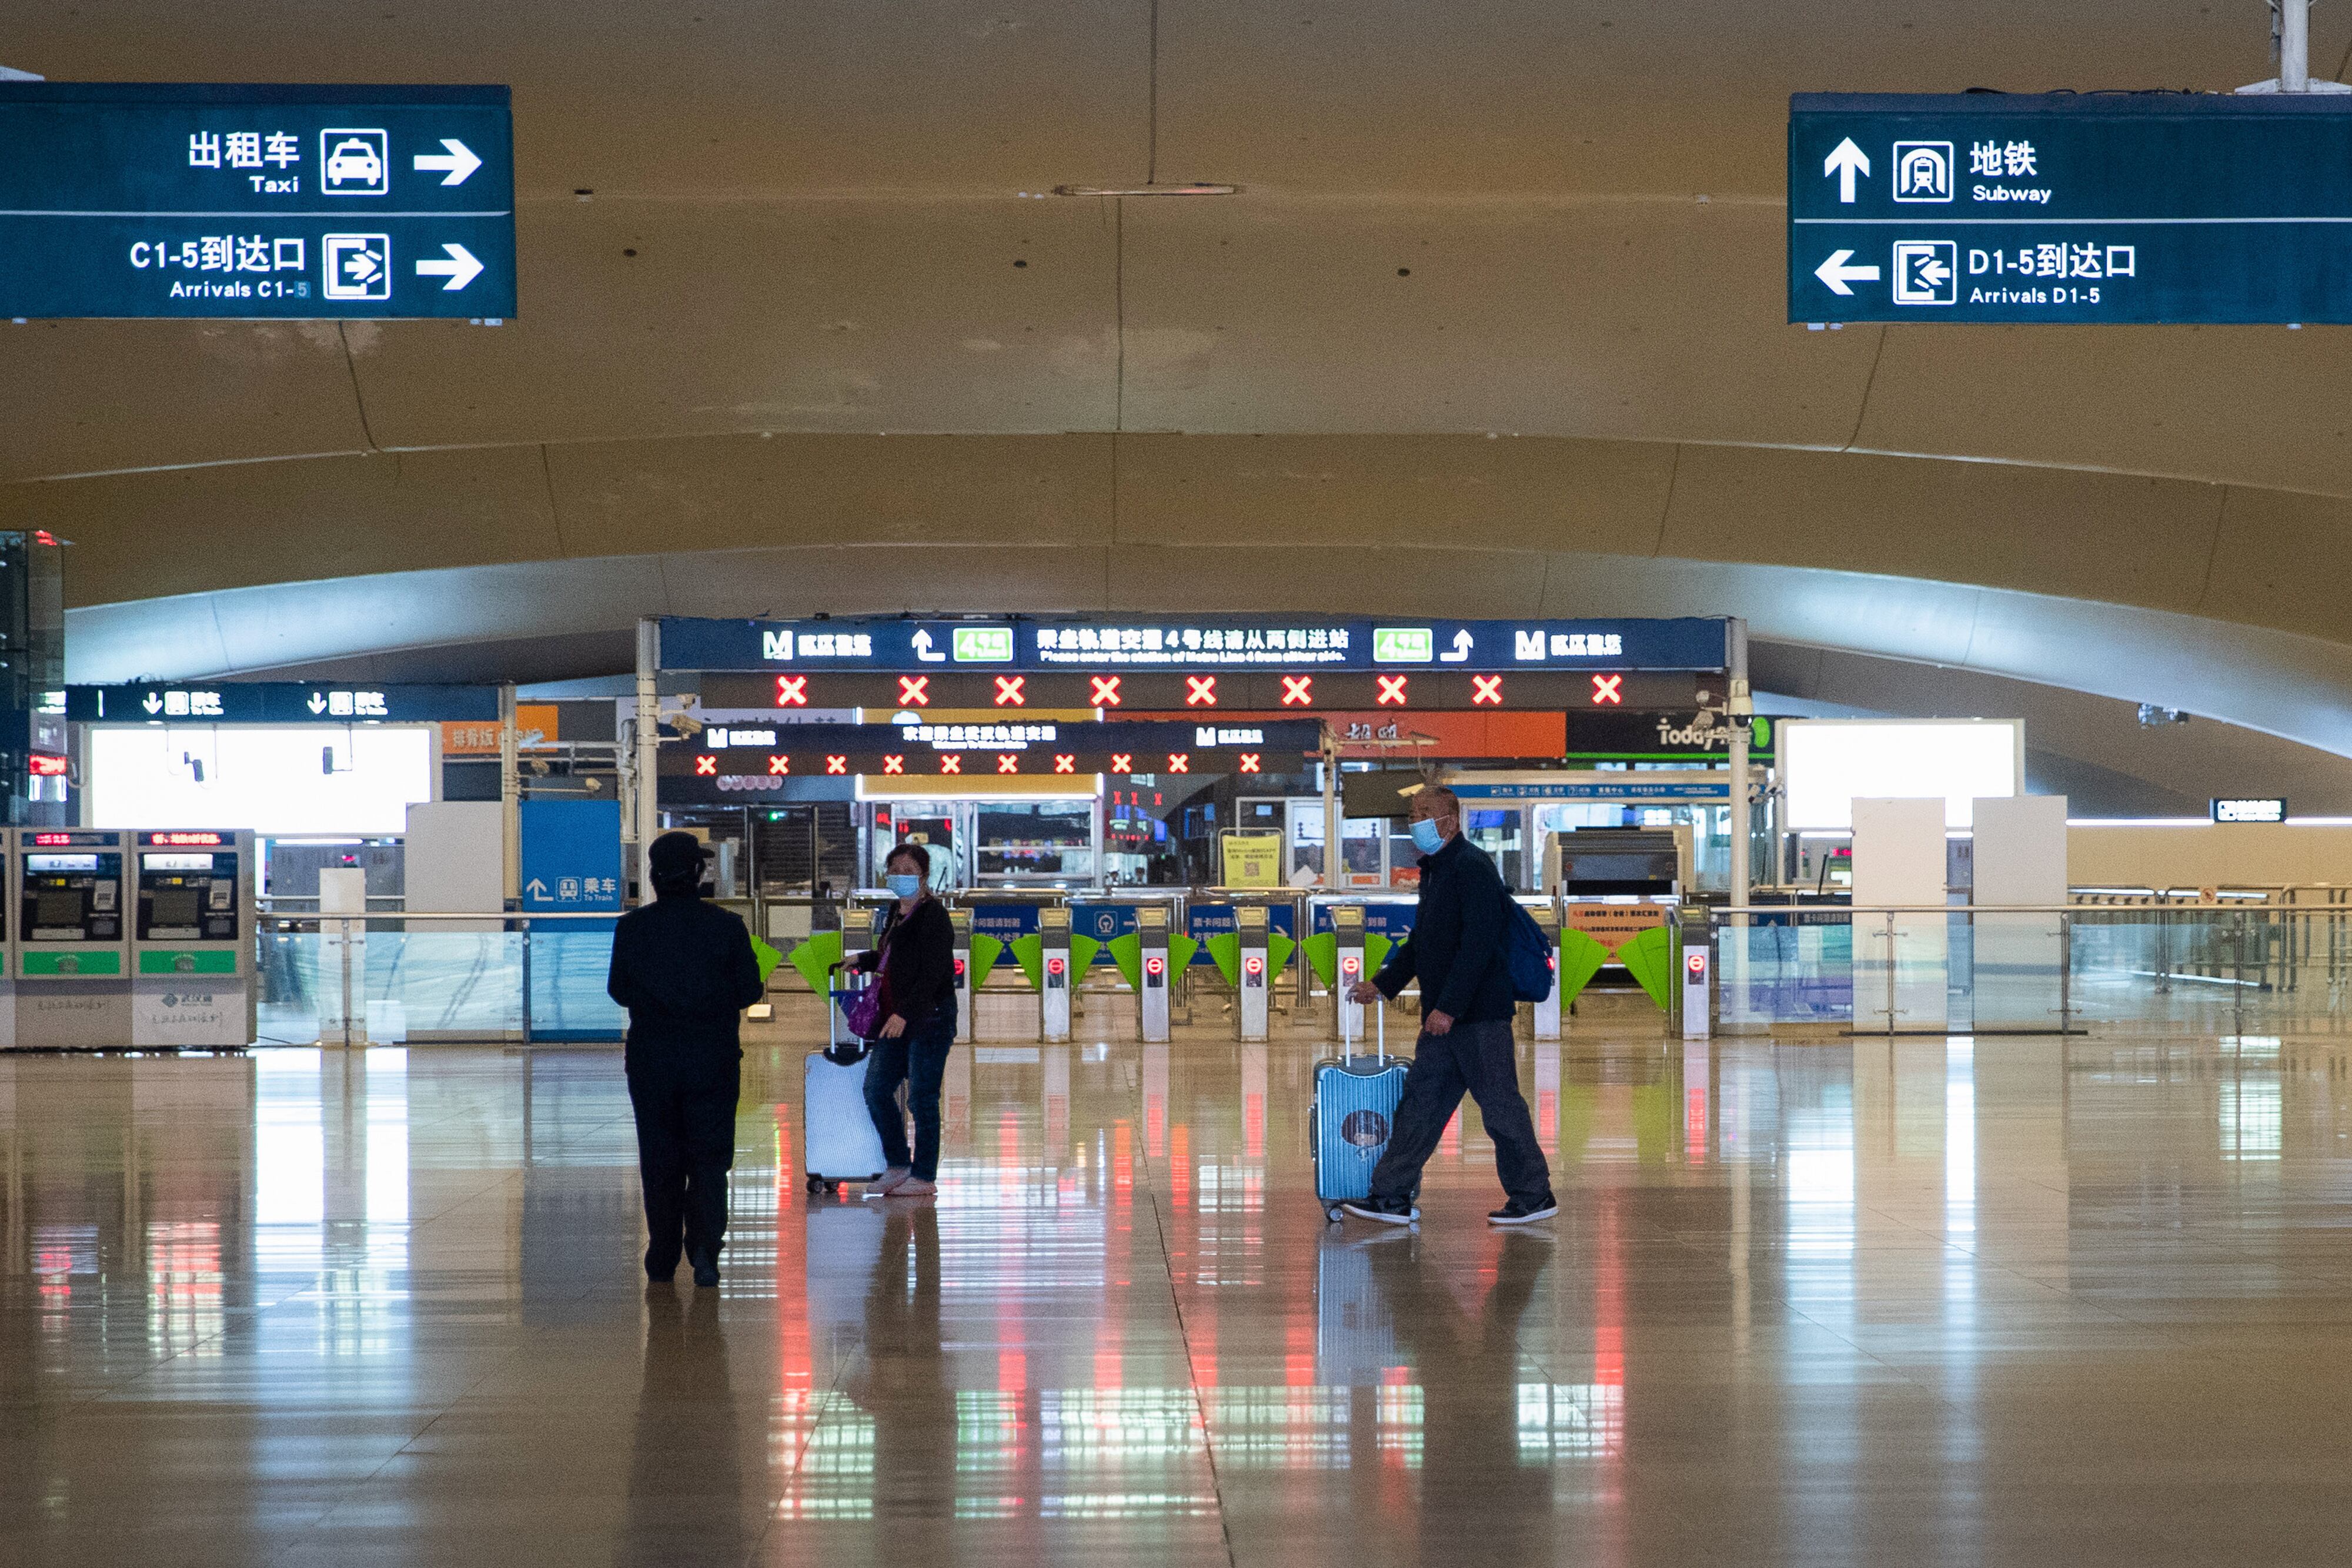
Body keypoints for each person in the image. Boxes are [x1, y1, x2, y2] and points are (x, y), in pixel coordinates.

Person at [1344, 784, 1558, 1226]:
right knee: (1420, 1106)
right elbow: (1422, 943)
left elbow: (1478, 945)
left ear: (1451, 821)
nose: (1415, 821)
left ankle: (1534, 1195)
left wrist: (1450, 1008)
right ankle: (1390, 1196)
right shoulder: (1436, 870)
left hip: (1477, 1018)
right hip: (1444, 1020)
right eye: (1412, 813)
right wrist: (1382, 985)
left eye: (1425, 812)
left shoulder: (1472, 867)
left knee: (1500, 1108)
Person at [607, 830, 764, 1286]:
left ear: (653, 876)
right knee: (710, 1158)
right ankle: (705, 1251)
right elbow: (749, 990)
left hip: (651, 1062)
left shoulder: (632, 928)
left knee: (660, 1157)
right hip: (712, 1060)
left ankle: (662, 1254)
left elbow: (619, 990)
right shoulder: (727, 926)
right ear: (698, 873)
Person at [852, 841, 957, 1197]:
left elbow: (933, 974)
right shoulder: (895, 912)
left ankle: (924, 1176)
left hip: (928, 1019)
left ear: (924, 876)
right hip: (894, 1016)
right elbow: (895, 958)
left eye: (908, 872)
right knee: (876, 1089)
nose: (900, 877)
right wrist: (864, 960)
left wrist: (904, 1014)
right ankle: (898, 1163)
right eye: (894, 871)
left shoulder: (933, 916)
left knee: (922, 1098)